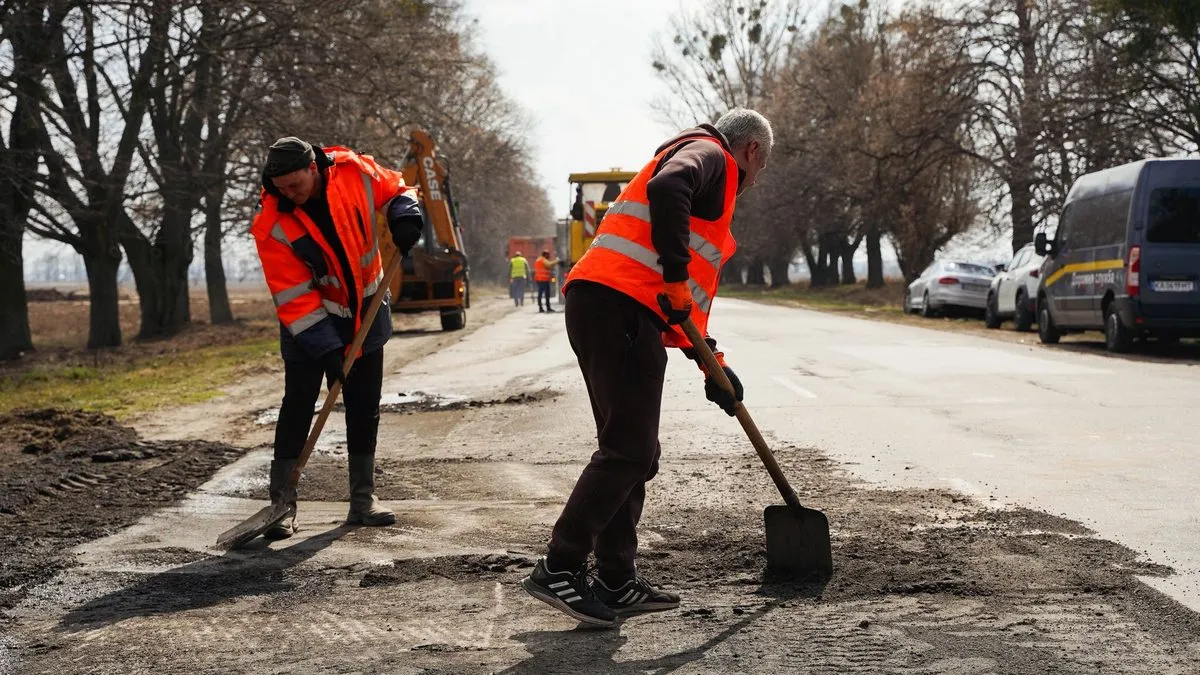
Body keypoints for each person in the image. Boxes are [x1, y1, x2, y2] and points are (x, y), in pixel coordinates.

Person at [520, 109, 773, 627]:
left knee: (632, 450)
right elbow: (670, 189)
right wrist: (678, 276)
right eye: (760, 168)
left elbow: (681, 303)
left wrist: (713, 366)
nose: (752, 181)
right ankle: (560, 567)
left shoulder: (705, 172)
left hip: (607, 308)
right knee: (629, 450)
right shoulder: (712, 156)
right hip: (617, 311)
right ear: (751, 151)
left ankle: (616, 580)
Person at [251, 137, 424, 540]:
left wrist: (405, 215)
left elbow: (397, 187)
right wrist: (327, 348)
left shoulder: (354, 173)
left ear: (314, 168)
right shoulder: (272, 223)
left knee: (364, 406)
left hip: (366, 309)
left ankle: (363, 499)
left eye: (296, 185)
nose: (290, 195)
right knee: (298, 404)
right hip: (308, 323)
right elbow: (294, 297)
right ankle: (283, 501)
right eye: (282, 189)